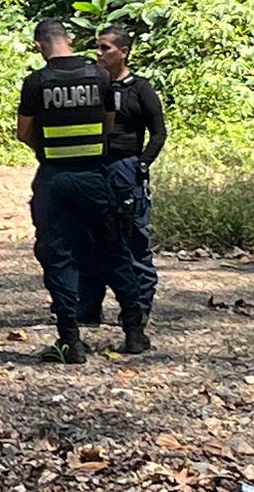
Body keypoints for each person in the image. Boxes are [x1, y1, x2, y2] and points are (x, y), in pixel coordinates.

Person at [17, 18, 149, 363]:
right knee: (114, 250)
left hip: (55, 177)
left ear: (39, 45)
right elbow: (108, 124)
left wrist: (47, 150)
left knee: (58, 254)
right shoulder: (100, 76)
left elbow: (23, 132)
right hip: (96, 174)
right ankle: (134, 331)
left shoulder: (36, 82)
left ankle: (70, 341)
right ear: (70, 39)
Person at [77, 25, 165, 327]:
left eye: (106, 48)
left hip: (126, 168)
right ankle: (88, 307)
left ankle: (139, 308)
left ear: (123, 52)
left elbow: (158, 132)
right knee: (89, 238)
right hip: (94, 169)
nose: (99, 54)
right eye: (97, 48)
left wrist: (142, 164)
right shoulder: (93, 86)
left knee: (133, 239)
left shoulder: (140, 88)